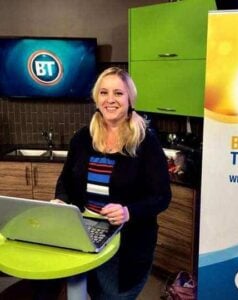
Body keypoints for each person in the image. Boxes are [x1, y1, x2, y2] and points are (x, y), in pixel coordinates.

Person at [54, 67, 171, 299]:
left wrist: (128, 212)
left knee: (114, 295)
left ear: (130, 99)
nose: (110, 100)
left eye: (118, 93)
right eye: (104, 92)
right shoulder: (82, 138)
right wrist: (61, 201)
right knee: (84, 289)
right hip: (85, 232)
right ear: (96, 99)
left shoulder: (146, 142)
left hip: (128, 241)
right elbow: (66, 181)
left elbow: (161, 196)